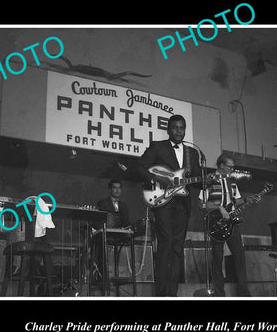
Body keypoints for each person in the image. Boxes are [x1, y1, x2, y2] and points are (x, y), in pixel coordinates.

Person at [138, 115, 201, 297]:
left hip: (183, 204)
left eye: (182, 128)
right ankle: (161, 294)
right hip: (163, 203)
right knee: (165, 245)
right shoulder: (158, 147)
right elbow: (140, 167)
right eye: (175, 127)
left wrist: (209, 180)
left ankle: (172, 294)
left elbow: (195, 180)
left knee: (177, 248)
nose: (178, 131)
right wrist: (159, 179)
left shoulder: (192, 153)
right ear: (168, 129)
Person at [200, 154, 260, 297]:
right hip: (216, 224)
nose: (232, 169)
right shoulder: (209, 180)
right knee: (217, 259)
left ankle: (244, 294)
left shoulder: (232, 182)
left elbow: (236, 201)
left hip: (232, 223)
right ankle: (219, 294)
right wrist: (219, 208)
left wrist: (247, 199)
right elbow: (201, 204)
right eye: (230, 166)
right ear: (221, 165)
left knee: (239, 257)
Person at [91, 179, 130, 284]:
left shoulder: (124, 206)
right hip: (105, 235)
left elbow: (127, 222)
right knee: (102, 247)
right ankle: (102, 278)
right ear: (110, 190)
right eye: (114, 188)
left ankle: (120, 276)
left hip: (119, 236)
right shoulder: (103, 203)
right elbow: (98, 221)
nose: (117, 190)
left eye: (119, 188)